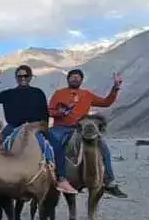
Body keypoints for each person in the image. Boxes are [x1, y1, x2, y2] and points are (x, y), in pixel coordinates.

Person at [0, 65, 75, 194]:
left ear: (30, 77)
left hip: (35, 127)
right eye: (20, 76)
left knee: (56, 146)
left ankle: (61, 179)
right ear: (16, 78)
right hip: (14, 126)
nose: (22, 78)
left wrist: (44, 127)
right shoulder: (9, 93)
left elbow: (44, 112)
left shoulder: (37, 93)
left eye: (25, 76)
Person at [48, 69, 127, 198]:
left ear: (81, 80)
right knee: (54, 145)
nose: (75, 79)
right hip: (61, 127)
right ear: (68, 79)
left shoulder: (87, 94)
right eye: (72, 77)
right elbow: (50, 111)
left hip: (81, 127)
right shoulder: (59, 93)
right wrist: (60, 113)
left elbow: (106, 102)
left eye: (78, 77)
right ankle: (57, 177)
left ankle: (109, 182)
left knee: (103, 147)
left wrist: (115, 88)